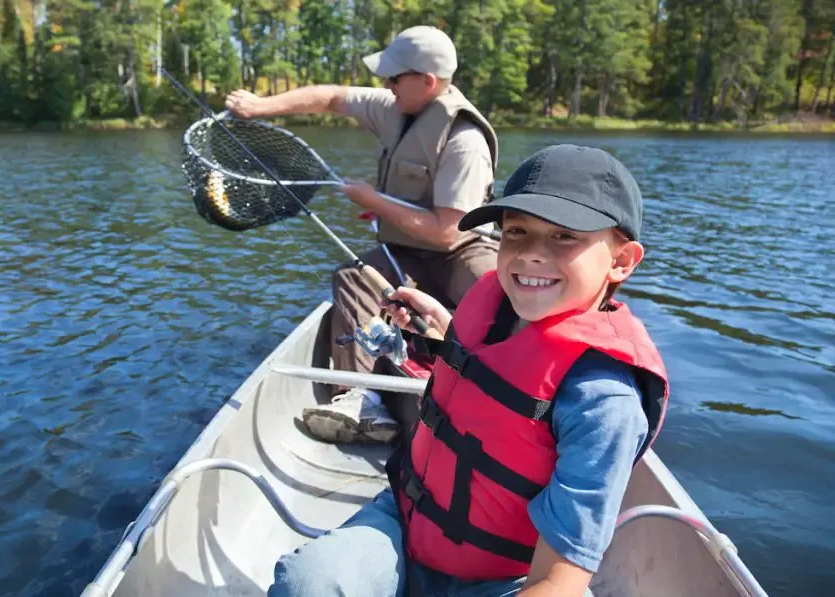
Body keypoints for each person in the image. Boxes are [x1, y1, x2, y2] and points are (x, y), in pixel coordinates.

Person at [266, 144, 670, 597]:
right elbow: (486, 379)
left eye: (563, 236)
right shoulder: (494, 309)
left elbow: (557, 583)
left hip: (504, 577)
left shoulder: (605, 404)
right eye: (516, 231)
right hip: (406, 521)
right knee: (305, 585)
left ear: (621, 261)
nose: (531, 254)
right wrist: (444, 328)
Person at [225, 26, 500, 445]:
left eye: (394, 78)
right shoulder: (395, 107)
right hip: (407, 251)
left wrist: (375, 199)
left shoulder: (465, 141)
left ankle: (514, 391)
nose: (385, 86)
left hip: (463, 248)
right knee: (354, 277)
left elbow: (448, 232)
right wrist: (261, 107)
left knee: (498, 293)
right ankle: (360, 397)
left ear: (427, 81)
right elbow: (333, 97)